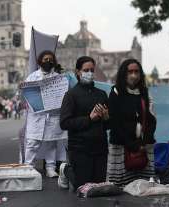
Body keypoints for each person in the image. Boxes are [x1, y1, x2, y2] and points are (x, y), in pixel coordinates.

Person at [58, 56, 109, 190]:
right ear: (78, 72)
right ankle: (65, 170)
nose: (89, 73)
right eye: (86, 70)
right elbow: (64, 123)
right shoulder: (71, 95)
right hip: (80, 148)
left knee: (98, 188)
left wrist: (106, 117)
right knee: (83, 188)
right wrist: (89, 119)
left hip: (100, 148)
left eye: (92, 70)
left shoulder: (102, 94)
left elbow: (109, 124)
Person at [107, 58, 157, 186]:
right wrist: (131, 144)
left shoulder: (145, 93)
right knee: (120, 188)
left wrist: (143, 142)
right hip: (122, 147)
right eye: (130, 72)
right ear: (124, 73)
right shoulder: (116, 92)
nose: (133, 75)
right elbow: (115, 123)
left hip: (143, 147)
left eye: (136, 71)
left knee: (143, 187)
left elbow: (151, 120)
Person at [24, 50, 67, 178]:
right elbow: (25, 95)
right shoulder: (32, 77)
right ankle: (28, 168)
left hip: (52, 115)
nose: (48, 62)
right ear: (40, 61)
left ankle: (50, 168)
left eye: (50, 59)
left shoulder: (58, 78)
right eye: (45, 59)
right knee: (32, 143)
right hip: (36, 115)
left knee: (51, 143)